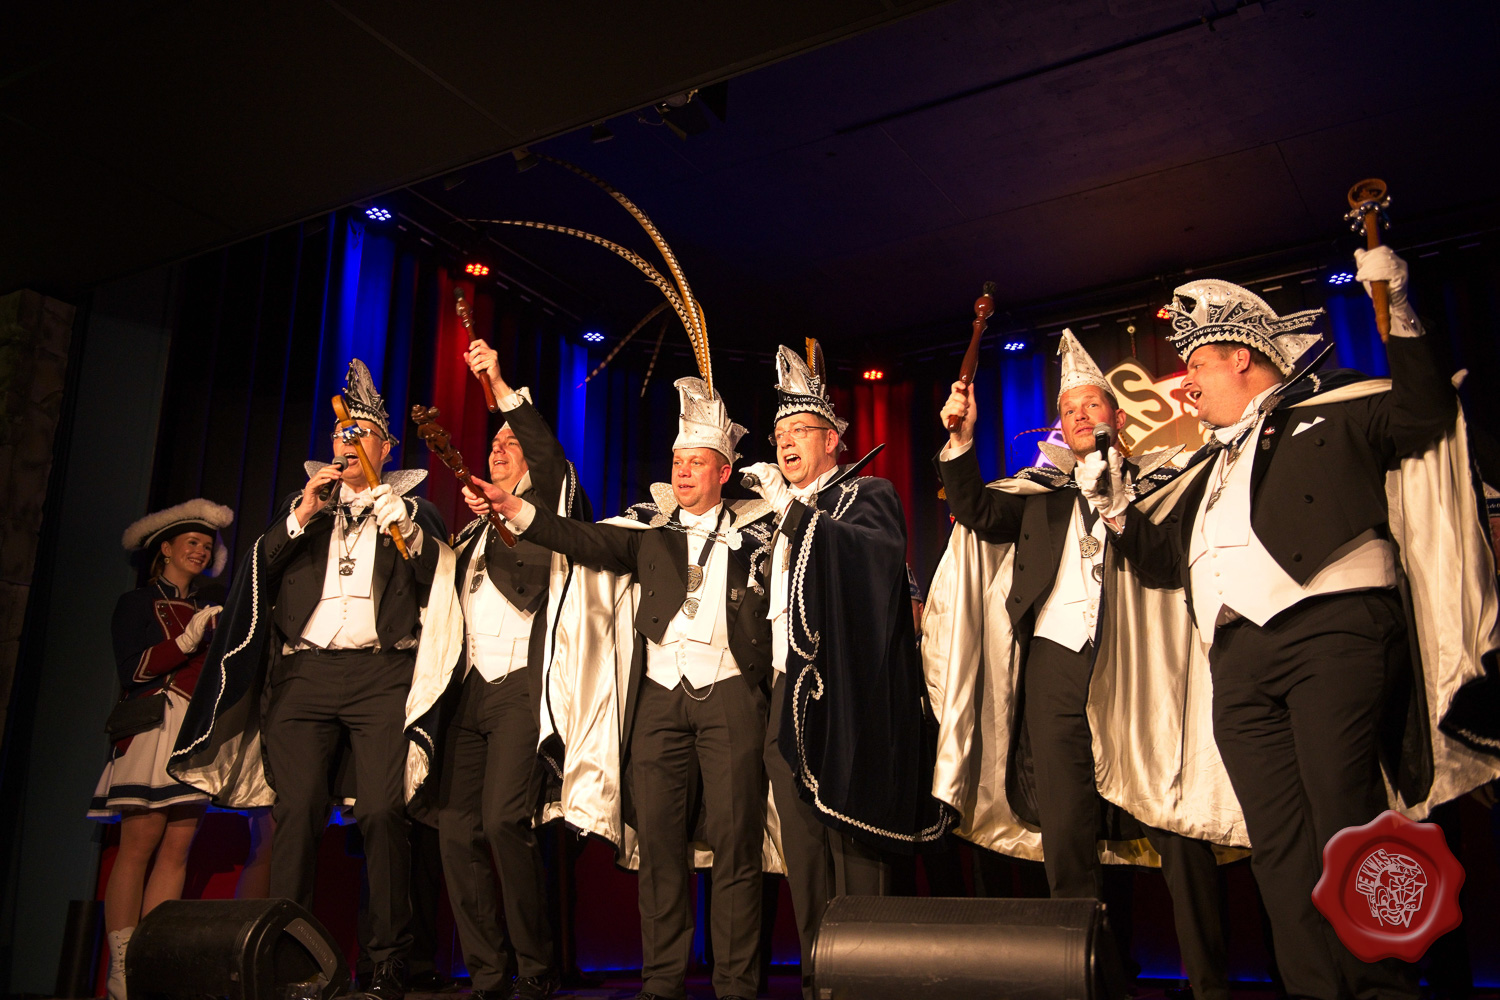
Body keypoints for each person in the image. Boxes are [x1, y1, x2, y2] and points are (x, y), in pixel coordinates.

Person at [1085, 248, 1500, 1000]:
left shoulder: (1337, 406)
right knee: (1277, 843)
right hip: (1238, 661)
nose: (1187, 387)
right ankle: (1314, 989)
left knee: (1348, 818)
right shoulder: (1204, 470)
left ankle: (1379, 988)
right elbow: (1160, 562)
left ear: (1241, 358)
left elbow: (1425, 412)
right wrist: (1115, 507)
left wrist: (1400, 310)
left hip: (1332, 632)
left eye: (1197, 367)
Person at [930, 330, 1228, 1000]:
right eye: (1071, 411)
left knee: (1174, 823)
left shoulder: (1160, 485)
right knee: (1067, 832)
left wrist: (1117, 503)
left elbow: (1167, 563)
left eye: (1094, 406)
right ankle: (1089, 979)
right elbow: (975, 509)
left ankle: (1211, 982)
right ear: (1060, 426)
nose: (1083, 417)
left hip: (1141, 671)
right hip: (1054, 665)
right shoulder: (1039, 493)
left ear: (1117, 416)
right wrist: (961, 440)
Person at [466, 376, 774, 1000]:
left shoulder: (762, 534)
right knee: (658, 846)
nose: (683, 472)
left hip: (731, 694)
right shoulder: (647, 533)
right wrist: (513, 509)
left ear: (724, 471)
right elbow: (575, 537)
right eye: (677, 461)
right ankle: (661, 983)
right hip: (659, 698)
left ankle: (737, 987)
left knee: (736, 846)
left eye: (697, 463)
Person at [740, 341, 951, 999]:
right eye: (779, 434)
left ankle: (870, 980)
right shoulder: (776, 517)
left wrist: (795, 514)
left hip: (849, 698)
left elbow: (874, 560)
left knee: (855, 844)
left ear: (833, 440)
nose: (785, 443)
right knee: (804, 856)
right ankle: (819, 977)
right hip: (787, 695)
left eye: (799, 431)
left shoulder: (867, 493)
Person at [434, 338, 591, 1000]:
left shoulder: (549, 511)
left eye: (510, 441)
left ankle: (536, 967)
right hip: (470, 690)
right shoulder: (470, 529)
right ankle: (488, 973)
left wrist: (499, 387)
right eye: (494, 441)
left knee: (504, 822)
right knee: (454, 829)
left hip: (524, 688)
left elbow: (549, 459)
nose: (499, 447)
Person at [92, 499, 234, 1000]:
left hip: (192, 732)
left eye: (207, 546)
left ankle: (149, 961)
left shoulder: (210, 609)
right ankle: (121, 963)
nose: (200, 551)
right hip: (153, 726)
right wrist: (186, 642)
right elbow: (133, 671)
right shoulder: (136, 603)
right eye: (191, 543)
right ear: (166, 549)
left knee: (178, 848)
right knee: (139, 844)